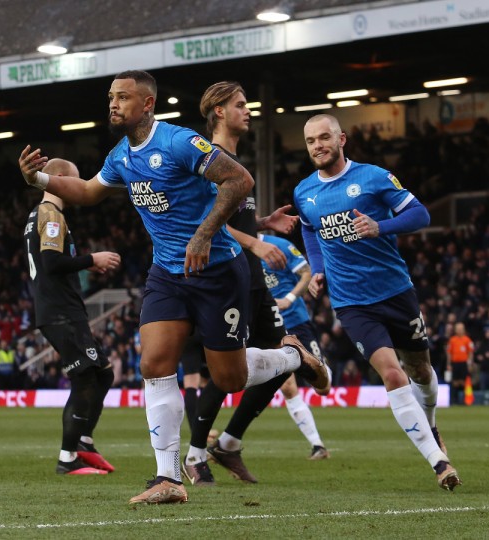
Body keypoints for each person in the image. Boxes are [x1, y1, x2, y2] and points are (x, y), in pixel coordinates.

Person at [19, 70, 329, 505]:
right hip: (167, 272)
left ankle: (293, 355)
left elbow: (239, 180)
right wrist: (40, 181)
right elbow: (88, 192)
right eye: (111, 97)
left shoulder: (179, 143)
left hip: (218, 272)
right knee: (155, 363)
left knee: (231, 377)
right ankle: (167, 478)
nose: (113, 104)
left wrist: (203, 234)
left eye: (123, 97)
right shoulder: (120, 156)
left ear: (147, 104)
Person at [293, 114, 461, 491]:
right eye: (310, 141)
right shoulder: (304, 191)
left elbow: (420, 213)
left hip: (396, 292)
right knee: (392, 372)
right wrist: (318, 269)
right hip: (352, 302)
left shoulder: (374, 177)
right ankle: (439, 463)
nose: (317, 146)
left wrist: (379, 226)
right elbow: (308, 227)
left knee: (420, 370)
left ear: (342, 139)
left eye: (324, 138)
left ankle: (431, 424)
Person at [183, 80, 330, 488]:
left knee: (283, 363)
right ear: (218, 111)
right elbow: (204, 226)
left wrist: (261, 224)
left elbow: (233, 218)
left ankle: (228, 443)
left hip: (251, 278)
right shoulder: (206, 161)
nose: (248, 111)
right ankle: (195, 456)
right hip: (224, 280)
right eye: (240, 105)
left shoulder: (234, 158)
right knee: (227, 371)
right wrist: (257, 244)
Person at [24, 157, 120, 476]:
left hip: (64, 309)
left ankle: (84, 442)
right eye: (77, 182)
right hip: (59, 310)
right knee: (84, 379)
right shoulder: (51, 214)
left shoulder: (43, 215)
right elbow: (51, 262)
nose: (81, 189)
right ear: (61, 178)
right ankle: (68, 458)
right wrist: (93, 258)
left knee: (103, 373)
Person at [259, 233, 329, 460]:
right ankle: (318, 445)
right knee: (287, 387)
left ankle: (323, 369)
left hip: (296, 320)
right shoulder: (239, 251)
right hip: (270, 327)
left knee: (323, 386)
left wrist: (289, 298)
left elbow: (306, 272)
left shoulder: (279, 245)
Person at [446, 322, 474, 404]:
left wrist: (469, 364)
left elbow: (470, 353)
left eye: (461, 329)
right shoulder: (452, 340)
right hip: (455, 363)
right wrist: (449, 364)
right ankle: (454, 401)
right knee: (455, 382)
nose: (459, 330)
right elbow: (449, 353)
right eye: (458, 329)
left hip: (464, 363)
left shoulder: (467, 340)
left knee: (464, 382)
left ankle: (466, 401)